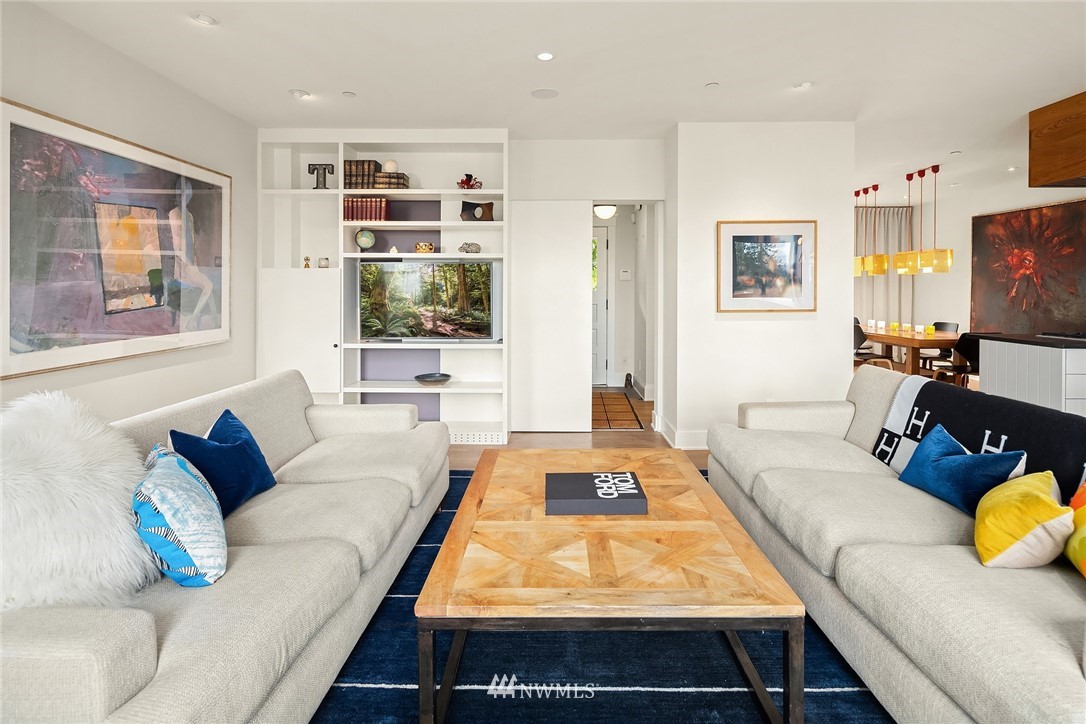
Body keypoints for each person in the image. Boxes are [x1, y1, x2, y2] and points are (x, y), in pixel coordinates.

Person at [167, 178, 218, 331]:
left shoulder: (189, 216)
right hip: (182, 266)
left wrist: (195, 265)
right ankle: (192, 321)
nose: (183, 196)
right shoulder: (174, 214)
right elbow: (178, 248)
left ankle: (215, 322)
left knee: (208, 286)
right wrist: (189, 265)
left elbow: (192, 244)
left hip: (191, 265)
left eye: (186, 193)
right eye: (180, 192)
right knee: (208, 285)